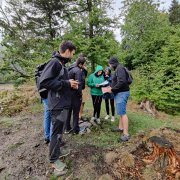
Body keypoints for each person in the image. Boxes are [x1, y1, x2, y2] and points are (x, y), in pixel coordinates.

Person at [40, 41, 78, 173]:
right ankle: (53, 160)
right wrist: (67, 83)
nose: (73, 56)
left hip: (62, 103)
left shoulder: (61, 64)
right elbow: (44, 81)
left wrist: (71, 85)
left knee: (59, 131)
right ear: (67, 51)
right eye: (72, 53)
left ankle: (57, 152)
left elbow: (61, 84)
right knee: (56, 133)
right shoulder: (54, 62)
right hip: (57, 104)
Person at [108, 57, 130, 142]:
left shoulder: (120, 68)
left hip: (122, 93)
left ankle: (126, 134)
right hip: (120, 93)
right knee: (121, 112)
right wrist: (112, 87)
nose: (109, 66)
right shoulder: (118, 68)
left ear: (113, 63)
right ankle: (121, 128)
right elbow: (118, 81)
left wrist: (112, 89)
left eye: (110, 64)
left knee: (123, 113)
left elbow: (122, 82)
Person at [65, 55, 86, 134]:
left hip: (68, 93)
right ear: (81, 64)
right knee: (76, 112)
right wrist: (80, 94)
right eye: (84, 64)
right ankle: (75, 130)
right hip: (75, 95)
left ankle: (67, 128)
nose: (84, 66)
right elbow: (79, 85)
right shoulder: (78, 71)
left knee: (69, 111)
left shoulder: (69, 69)